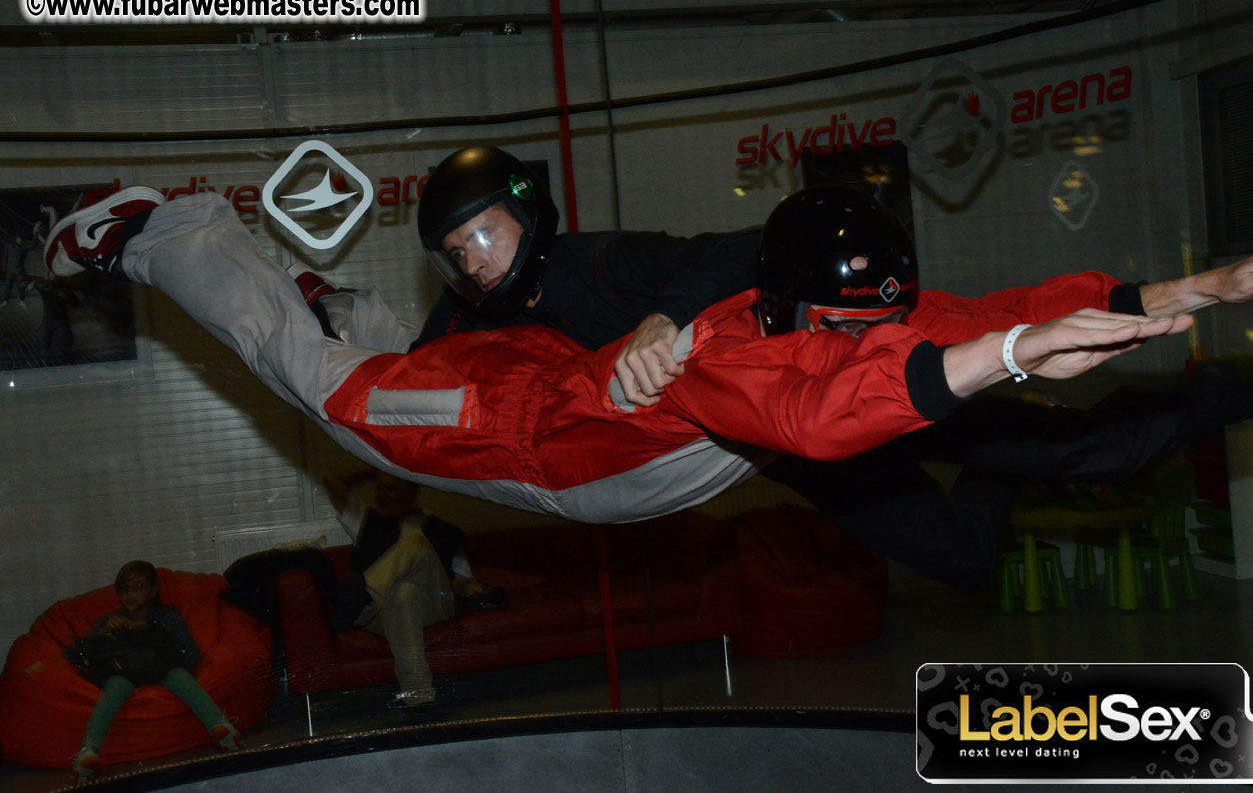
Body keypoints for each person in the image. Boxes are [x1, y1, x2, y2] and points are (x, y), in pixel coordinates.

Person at [43, 185, 1191, 525]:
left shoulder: (823, 316)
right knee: (324, 387)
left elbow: (951, 314)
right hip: (516, 430)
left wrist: (1155, 293)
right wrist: (1015, 352)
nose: (868, 342)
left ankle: (326, 304)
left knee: (380, 360)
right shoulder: (730, 361)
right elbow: (821, 419)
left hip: (546, 391)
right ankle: (159, 230)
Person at [411, 148, 1253, 587]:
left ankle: (1235, 385)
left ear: (527, 212)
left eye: (484, 235)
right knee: (963, 561)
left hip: (842, 384)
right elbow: (411, 380)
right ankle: (1000, 461)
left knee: (1103, 450)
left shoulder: (604, 263)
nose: (475, 261)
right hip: (789, 438)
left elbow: (746, 247)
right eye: (457, 252)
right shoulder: (470, 316)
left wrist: (660, 321)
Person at [321, 466, 504, 709]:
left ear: (410, 492)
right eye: (379, 489)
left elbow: (461, 581)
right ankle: (420, 700)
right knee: (403, 594)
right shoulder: (366, 520)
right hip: (382, 614)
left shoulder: (442, 530)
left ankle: (367, 593)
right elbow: (332, 479)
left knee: (415, 545)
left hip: (431, 606)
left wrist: (481, 593)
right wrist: (377, 467)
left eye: (391, 489)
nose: (382, 496)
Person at [63, 560, 241, 781]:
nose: (130, 595)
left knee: (180, 676)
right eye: (125, 589)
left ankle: (220, 728)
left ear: (153, 590)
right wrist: (102, 633)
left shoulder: (167, 616)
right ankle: (87, 752)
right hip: (125, 673)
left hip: (162, 669)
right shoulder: (110, 620)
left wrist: (151, 630)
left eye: (138, 587)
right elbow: (73, 654)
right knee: (113, 687)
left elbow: (190, 651)